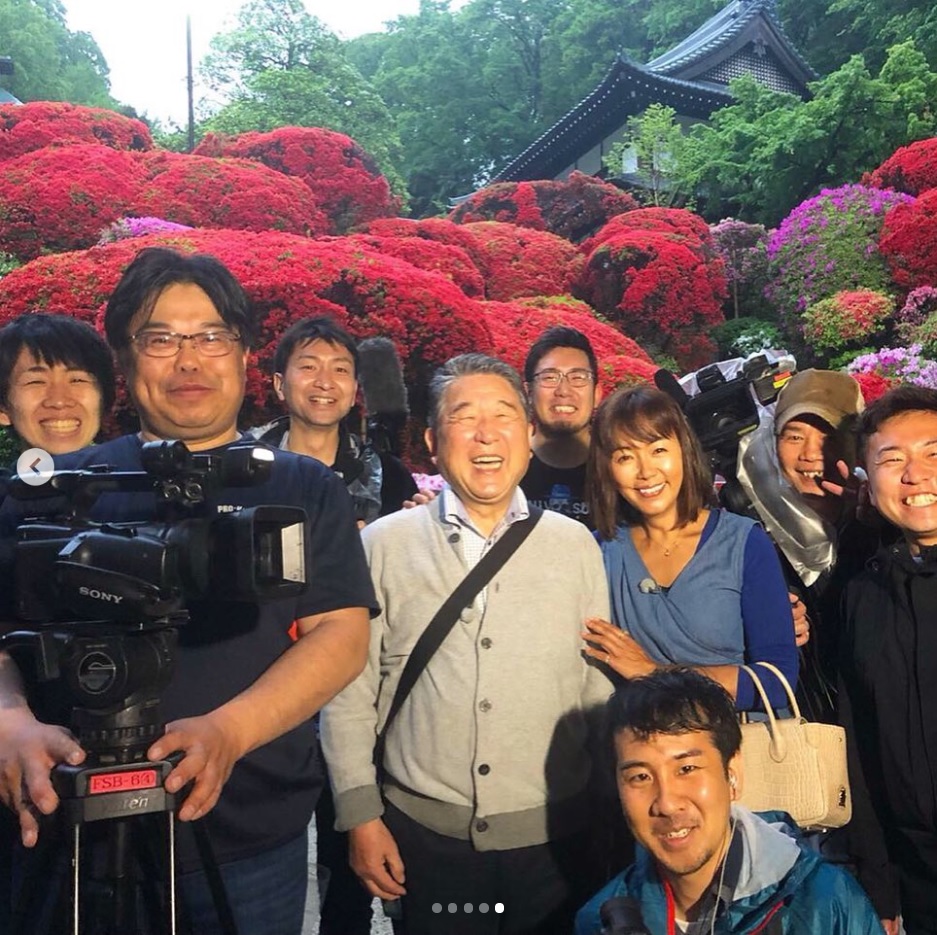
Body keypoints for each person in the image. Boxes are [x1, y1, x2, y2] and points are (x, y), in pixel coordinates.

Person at [0, 247, 376, 935]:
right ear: (125, 356)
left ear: (242, 354)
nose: (188, 360)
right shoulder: (58, 486)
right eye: (160, 339)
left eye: (210, 337)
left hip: (244, 837)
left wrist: (230, 732)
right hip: (65, 822)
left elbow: (341, 633)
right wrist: (10, 721)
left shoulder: (302, 485)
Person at [320, 353, 615, 935]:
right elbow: (349, 690)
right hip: (427, 843)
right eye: (464, 416)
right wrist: (360, 816)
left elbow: (594, 684)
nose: (486, 434)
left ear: (529, 434)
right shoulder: (385, 544)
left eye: (504, 414)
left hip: (554, 844)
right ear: (433, 440)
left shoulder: (574, 544)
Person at [574, 667, 884, 934]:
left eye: (687, 769)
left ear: (732, 773)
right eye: (640, 777)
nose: (667, 803)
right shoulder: (601, 919)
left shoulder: (824, 903)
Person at [583, 385, 798, 713]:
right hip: (649, 752)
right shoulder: (598, 552)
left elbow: (777, 683)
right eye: (626, 456)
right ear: (607, 468)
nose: (645, 472)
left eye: (658, 450)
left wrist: (653, 674)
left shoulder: (744, 543)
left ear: (683, 450)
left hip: (745, 751)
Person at [838, 384, 937, 935]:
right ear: (868, 482)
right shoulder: (865, 594)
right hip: (917, 881)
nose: (914, 475)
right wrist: (878, 880)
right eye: (891, 460)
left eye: (933, 455)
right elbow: (861, 743)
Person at [735, 368, 879, 719]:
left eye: (829, 437)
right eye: (794, 437)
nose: (811, 455)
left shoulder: (886, 524)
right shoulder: (750, 533)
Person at [252, 315, 417, 524]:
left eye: (340, 370)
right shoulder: (244, 467)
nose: (325, 383)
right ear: (279, 385)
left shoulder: (390, 477)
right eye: (309, 367)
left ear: (354, 389)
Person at [0, 312, 115, 455]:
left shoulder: (142, 475)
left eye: (77, 380)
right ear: (3, 410)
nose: (59, 401)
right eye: (37, 381)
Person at [521, 326, 602, 526]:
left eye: (578, 378)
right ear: (528, 393)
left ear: (597, 394)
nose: (564, 391)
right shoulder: (506, 468)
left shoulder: (619, 467)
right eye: (549, 378)